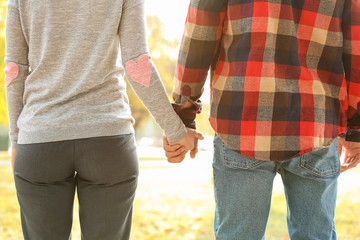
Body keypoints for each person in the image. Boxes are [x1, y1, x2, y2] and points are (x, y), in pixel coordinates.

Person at [4, 0, 203, 239]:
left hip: (39, 141)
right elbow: (137, 63)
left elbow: (15, 69)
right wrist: (176, 131)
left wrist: (16, 140)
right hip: (108, 142)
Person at [163, 0, 360, 239]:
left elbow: (200, 32)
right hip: (315, 123)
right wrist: (355, 127)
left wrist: (184, 111)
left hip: (242, 122)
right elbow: (356, 46)